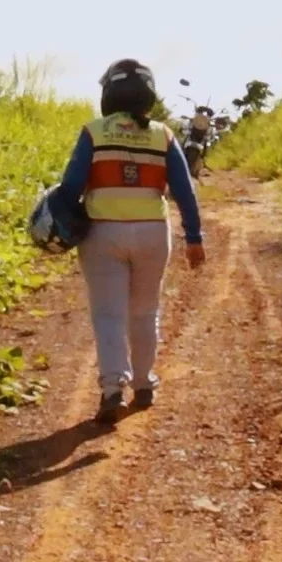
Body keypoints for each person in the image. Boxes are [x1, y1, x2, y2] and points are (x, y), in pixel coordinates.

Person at [52, 59, 205, 424]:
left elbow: (71, 187)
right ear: (148, 95)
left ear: (109, 94)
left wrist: (55, 219)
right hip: (153, 233)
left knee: (108, 313)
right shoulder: (163, 135)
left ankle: (111, 391)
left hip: (103, 233)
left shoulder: (93, 132)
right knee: (145, 310)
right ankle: (143, 384)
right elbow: (184, 192)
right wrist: (194, 238)